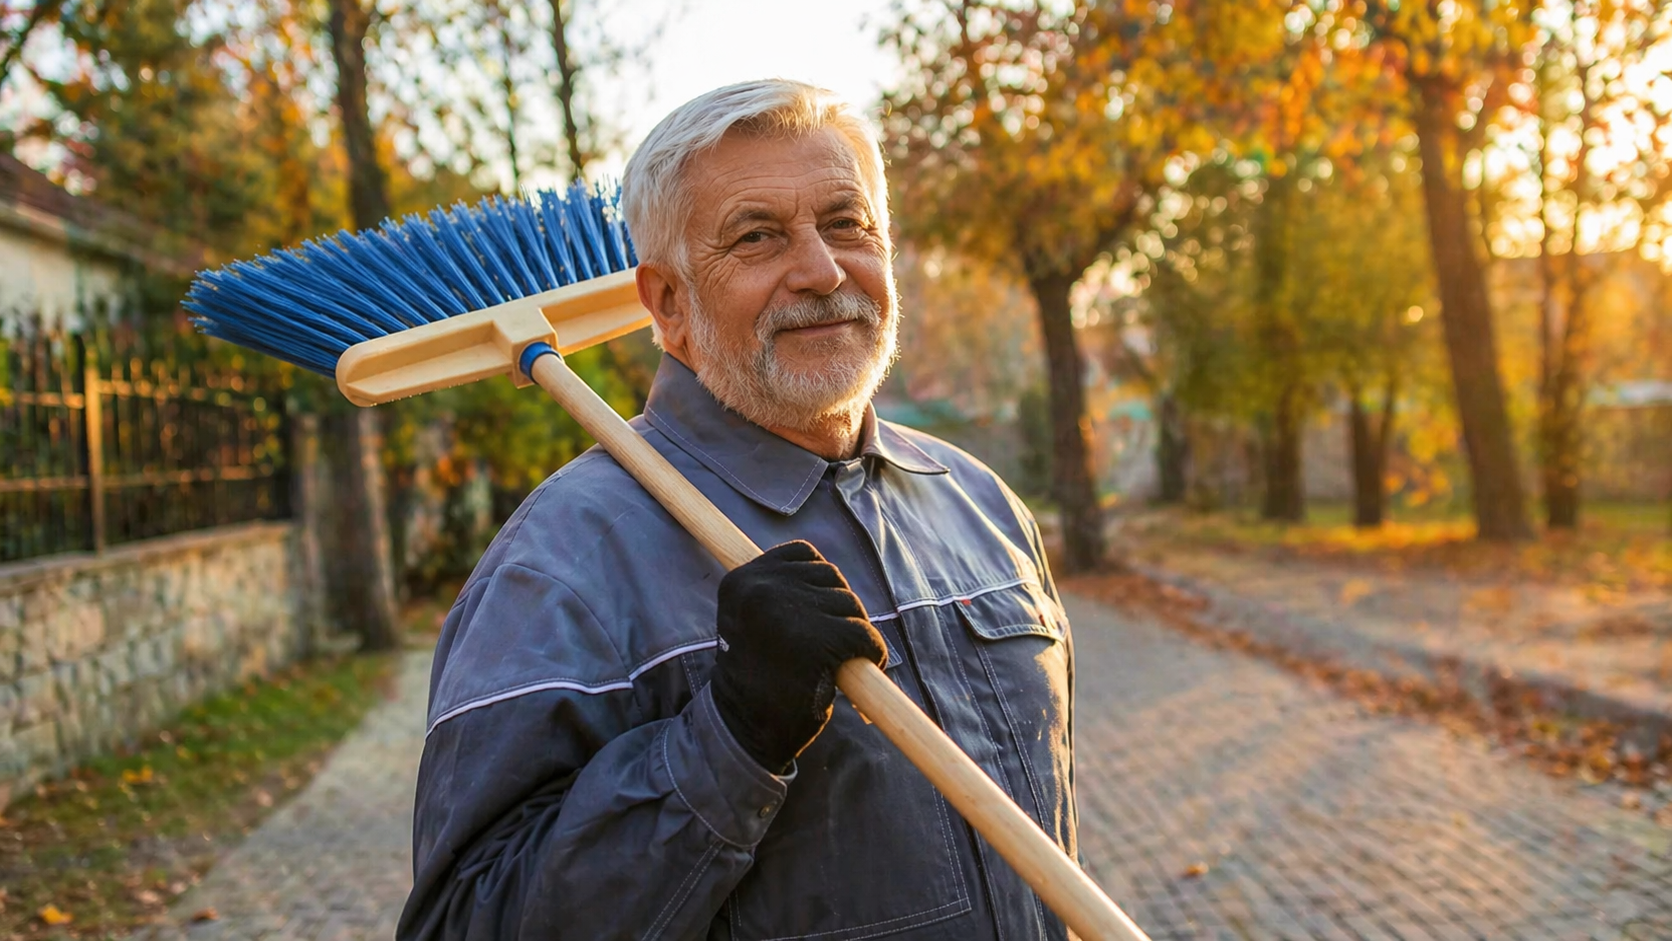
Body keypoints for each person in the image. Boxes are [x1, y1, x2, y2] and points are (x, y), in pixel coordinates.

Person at [399, 78, 1077, 941]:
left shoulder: (981, 507)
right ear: (668, 303)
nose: (822, 271)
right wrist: (732, 736)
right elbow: (466, 922)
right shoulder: (558, 568)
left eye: (847, 223)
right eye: (757, 236)